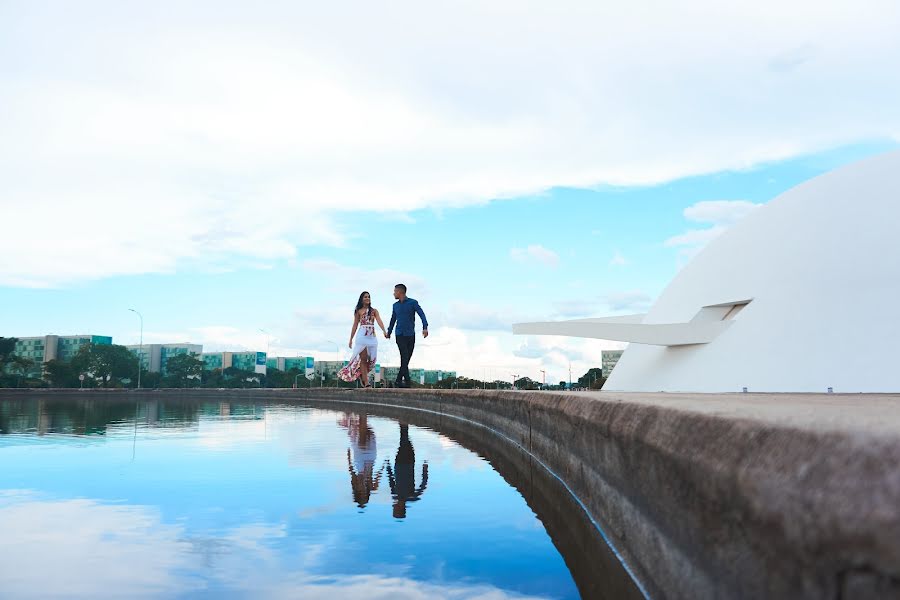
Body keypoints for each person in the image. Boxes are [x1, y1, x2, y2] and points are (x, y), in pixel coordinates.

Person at [338, 291, 387, 388]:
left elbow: (379, 321)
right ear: (361, 299)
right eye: (365, 297)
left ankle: (361, 373)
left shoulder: (374, 311)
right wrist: (351, 339)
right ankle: (366, 382)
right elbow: (355, 325)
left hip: (372, 337)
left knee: (373, 360)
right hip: (362, 337)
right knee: (363, 360)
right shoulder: (358, 311)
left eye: (368, 297)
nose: (367, 298)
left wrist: (384, 331)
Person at [385, 283, 428, 388]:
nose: (393, 293)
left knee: (406, 359)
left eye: (395, 291)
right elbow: (393, 319)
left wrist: (425, 327)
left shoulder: (413, 303)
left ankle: (401, 381)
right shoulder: (395, 305)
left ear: (400, 292)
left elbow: (421, 314)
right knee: (404, 357)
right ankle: (404, 381)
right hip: (399, 335)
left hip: (410, 335)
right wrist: (389, 332)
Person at [385, 422, 428, 518]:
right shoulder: (411, 497)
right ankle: (404, 423)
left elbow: (391, 480)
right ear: (400, 508)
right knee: (405, 441)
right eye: (395, 509)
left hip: (400, 463)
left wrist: (388, 465)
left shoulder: (395, 495)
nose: (393, 506)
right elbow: (423, 485)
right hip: (407, 463)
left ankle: (404, 423)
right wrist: (425, 470)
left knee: (404, 441)